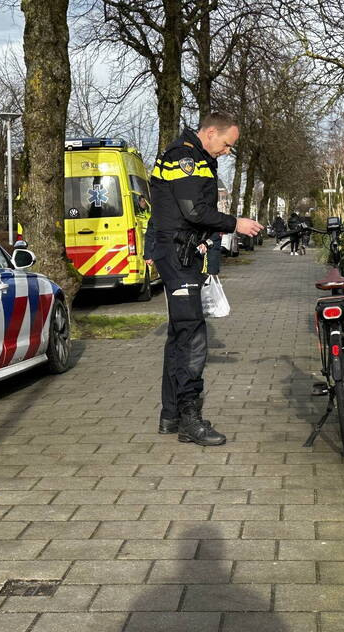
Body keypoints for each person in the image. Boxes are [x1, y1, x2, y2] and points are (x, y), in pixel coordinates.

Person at [144, 112, 263, 446]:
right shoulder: (184, 157)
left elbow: (176, 211)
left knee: (179, 335)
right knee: (193, 337)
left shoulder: (192, 155)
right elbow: (193, 210)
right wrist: (233, 223)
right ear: (211, 132)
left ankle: (170, 416)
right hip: (178, 256)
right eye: (226, 144)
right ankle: (189, 420)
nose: (227, 151)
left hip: (181, 252)